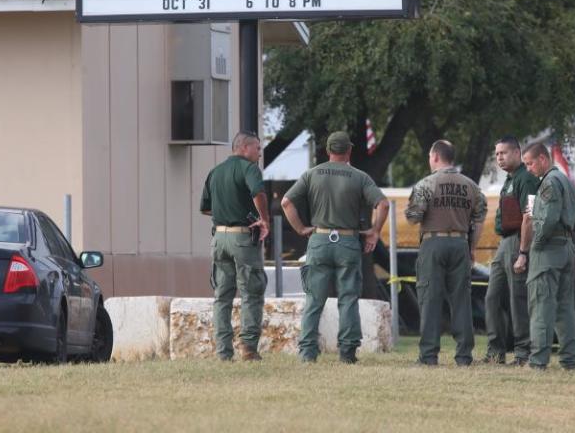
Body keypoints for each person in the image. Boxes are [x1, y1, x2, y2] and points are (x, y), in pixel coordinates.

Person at [281, 131, 389, 364]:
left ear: (328, 151)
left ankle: (308, 352)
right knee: (348, 298)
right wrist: (374, 231)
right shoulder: (359, 177)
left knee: (314, 299)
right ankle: (347, 352)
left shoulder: (311, 174)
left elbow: (286, 202)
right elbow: (382, 204)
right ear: (348, 151)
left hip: (319, 240)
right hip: (348, 242)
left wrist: (300, 228)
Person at [405, 140, 487, 366]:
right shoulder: (471, 186)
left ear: (435, 157)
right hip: (461, 244)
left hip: (433, 243)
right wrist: (471, 247)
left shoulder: (425, 184)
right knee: (461, 300)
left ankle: (429, 356)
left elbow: (413, 217)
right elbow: (479, 219)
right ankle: (464, 356)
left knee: (430, 299)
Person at [199, 131, 270, 362]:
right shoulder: (249, 168)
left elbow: (206, 208)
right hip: (242, 238)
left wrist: (226, 210)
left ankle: (223, 351)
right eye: (257, 148)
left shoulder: (215, 172)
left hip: (219, 239)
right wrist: (263, 219)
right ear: (244, 147)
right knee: (251, 291)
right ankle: (248, 348)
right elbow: (258, 192)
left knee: (222, 295)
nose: (259, 153)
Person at [516, 143, 575, 370]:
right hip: (566, 247)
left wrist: (536, 244)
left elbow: (547, 220)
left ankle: (538, 360)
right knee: (565, 306)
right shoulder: (567, 182)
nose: (529, 168)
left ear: (543, 159)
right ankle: (569, 359)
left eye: (530, 163)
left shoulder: (549, 183)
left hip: (549, 249)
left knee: (541, 305)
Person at [483, 136, 539, 366]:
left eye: (504, 153)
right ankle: (495, 352)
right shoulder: (508, 180)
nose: (499, 158)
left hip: (518, 240)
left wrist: (523, 252)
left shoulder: (526, 178)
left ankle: (523, 352)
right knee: (492, 297)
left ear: (517, 153)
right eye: (496, 154)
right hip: (504, 242)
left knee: (518, 299)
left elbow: (530, 216)